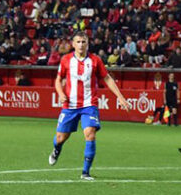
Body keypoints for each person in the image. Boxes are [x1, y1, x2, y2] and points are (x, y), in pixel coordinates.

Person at [48, 32, 129, 180]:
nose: (80, 45)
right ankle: (57, 149)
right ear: (73, 44)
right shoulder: (66, 60)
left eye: (83, 42)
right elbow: (58, 80)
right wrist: (60, 93)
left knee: (90, 134)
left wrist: (120, 97)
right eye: (78, 42)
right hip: (70, 105)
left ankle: (85, 172)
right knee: (61, 137)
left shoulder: (95, 60)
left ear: (88, 44)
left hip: (89, 104)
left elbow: (107, 78)